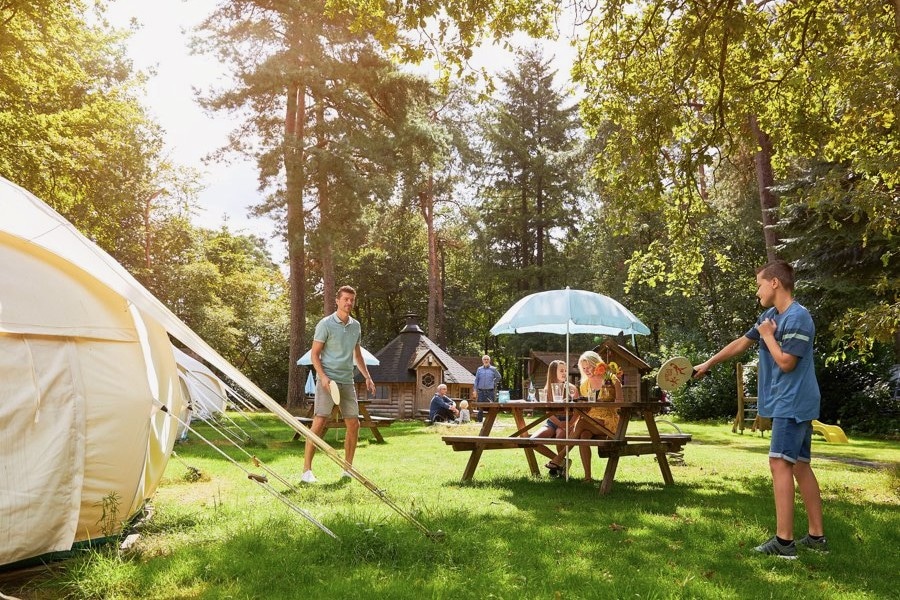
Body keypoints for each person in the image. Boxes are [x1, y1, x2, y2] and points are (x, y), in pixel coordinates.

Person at [694, 260, 826, 558]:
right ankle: (817, 538)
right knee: (801, 465)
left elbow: (787, 362)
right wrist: (708, 363)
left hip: (792, 402)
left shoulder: (798, 318)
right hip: (792, 401)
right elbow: (741, 343)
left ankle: (784, 542)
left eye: (759, 285)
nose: (757, 292)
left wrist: (768, 335)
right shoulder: (771, 315)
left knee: (780, 464)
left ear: (775, 283)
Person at [301, 285, 377, 483]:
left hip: (347, 380)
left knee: (354, 423)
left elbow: (357, 353)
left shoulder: (356, 326)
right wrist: (324, 377)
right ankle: (307, 471)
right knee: (319, 422)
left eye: (352, 299)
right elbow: (314, 354)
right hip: (327, 380)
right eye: (345, 299)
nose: (349, 303)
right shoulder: (325, 324)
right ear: (337, 300)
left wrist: (367, 376)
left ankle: (347, 469)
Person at [572, 351, 623, 483]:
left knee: (582, 423)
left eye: (588, 366)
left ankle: (560, 457)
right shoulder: (584, 385)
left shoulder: (611, 378)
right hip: (592, 420)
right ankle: (587, 477)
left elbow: (620, 403)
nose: (586, 370)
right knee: (583, 435)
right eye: (583, 368)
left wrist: (606, 403)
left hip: (609, 420)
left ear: (596, 364)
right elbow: (587, 408)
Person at [530, 359, 578, 477]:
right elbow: (548, 412)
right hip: (552, 421)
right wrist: (558, 423)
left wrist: (570, 423)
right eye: (561, 370)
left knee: (560, 434)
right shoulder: (547, 390)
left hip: (568, 421)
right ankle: (561, 462)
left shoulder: (572, 389)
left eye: (566, 371)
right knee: (532, 441)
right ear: (553, 372)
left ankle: (557, 465)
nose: (564, 373)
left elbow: (578, 410)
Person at [472, 354, 501, 422]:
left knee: (492, 406)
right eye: (485, 359)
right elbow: (476, 380)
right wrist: (475, 390)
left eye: (487, 359)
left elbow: (499, 377)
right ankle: (479, 421)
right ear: (482, 361)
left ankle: (491, 421)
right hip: (480, 391)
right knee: (480, 406)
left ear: (489, 360)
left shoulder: (493, 369)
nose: (486, 360)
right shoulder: (479, 369)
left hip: (490, 391)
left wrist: (493, 382)